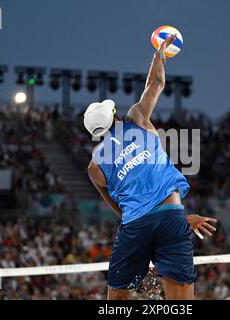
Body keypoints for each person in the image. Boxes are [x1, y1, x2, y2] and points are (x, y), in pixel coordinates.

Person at [85, 34, 217, 300]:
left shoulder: (94, 167)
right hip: (170, 214)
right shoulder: (136, 118)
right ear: (113, 115)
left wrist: (143, 220)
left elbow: (119, 208)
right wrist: (159, 54)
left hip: (135, 224)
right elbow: (156, 82)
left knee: (118, 300)